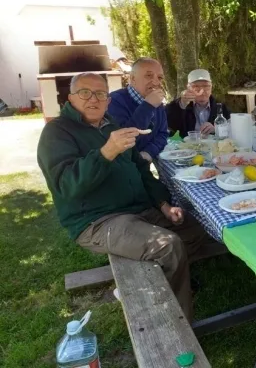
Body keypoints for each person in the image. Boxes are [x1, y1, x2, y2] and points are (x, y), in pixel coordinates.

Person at [37, 73, 214, 321]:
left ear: (108, 101)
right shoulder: (57, 132)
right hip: (99, 220)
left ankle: (156, 280)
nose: (93, 99)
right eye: (85, 93)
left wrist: (163, 204)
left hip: (139, 210)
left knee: (197, 227)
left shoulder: (111, 124)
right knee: (168, 245)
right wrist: (106, 153)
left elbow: (141, 169)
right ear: (70, 98)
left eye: (101, 94)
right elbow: (66, 186)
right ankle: (175, 322)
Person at [108, 57, 168, 161]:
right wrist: (148, 106)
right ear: (133, 78)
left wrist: (148, 152)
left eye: (160, 78)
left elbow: (162, 134)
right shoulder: (113, 101)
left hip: (143, 163)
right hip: (121, 165)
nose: (156, 82)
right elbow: (124, 140)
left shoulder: (157, 102)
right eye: (149, 76)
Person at [166, 69, 231, 137]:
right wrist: (182, 104)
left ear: (211, 88)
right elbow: (169, 125)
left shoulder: (221, 107)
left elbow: (232, 128)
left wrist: (216, 129)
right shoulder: (181, 105)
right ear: (188, 88)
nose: (201, 90)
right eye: (196, 86)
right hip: (188, 143)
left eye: (206, 86)